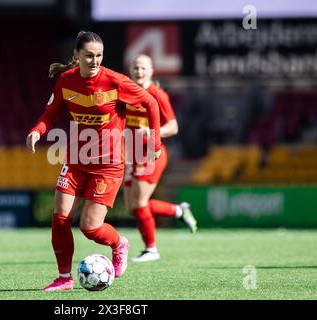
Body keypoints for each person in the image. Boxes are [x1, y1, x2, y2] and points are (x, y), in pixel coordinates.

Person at [26, 32, 162, 291]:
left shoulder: (115, 81)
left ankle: (119, 243)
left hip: (109, 165)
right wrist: (37, 131)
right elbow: (50, 113)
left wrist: (155, 143)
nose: (95, 60)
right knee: (60, 217)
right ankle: (64, 278)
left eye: (99, 55)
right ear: (76, 56)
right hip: (77, 160)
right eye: (89, 55)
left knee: (90, 227)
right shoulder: (66, 80)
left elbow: (151, 103)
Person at [123, 54, 197, 263]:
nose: (139, 71)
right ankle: (178, 210)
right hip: (132, 155)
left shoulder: (157, 95)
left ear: (152, 71)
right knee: (132, 207)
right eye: (136, 67)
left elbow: (173, 126)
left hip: (151, 154)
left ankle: (151, 249)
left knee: (139, 203)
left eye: (143, 68)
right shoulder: (127, 93)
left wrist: (151, 133)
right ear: (131, 70)